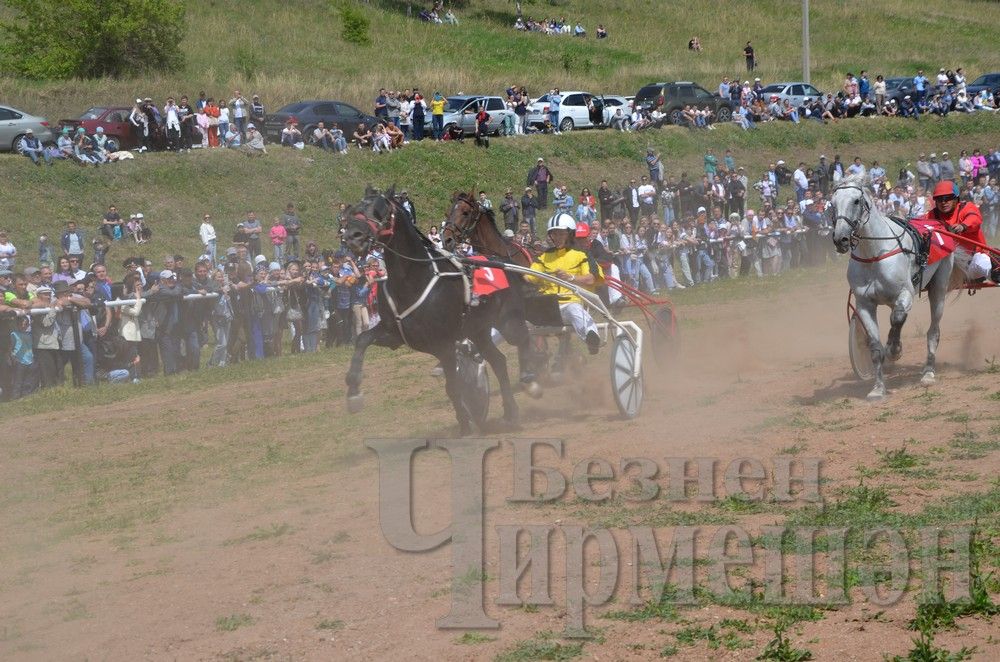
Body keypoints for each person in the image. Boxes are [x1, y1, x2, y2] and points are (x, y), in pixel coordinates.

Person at [523, 213, 602, 354]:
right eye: (554, 234)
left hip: (569, 302)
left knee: (576, 311)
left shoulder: (581, 254)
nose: (557, 237)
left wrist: (571, 277)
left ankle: (592, 338)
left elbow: (591, 279)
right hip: (546, 306)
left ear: (570, 234)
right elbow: (529, 277)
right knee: (517, 317)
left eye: (561, 234)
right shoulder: (543, 257)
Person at [921, 181, 998, 283]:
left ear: (956, 198)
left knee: (982, 263)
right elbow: (920, 225)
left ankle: (995, 273)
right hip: (948, 266)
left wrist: (963, 226)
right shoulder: (931, 215)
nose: (943, 202)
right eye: (939, 199)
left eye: (947, 198)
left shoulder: (966, 207)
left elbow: (975, 218)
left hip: (973, 262)